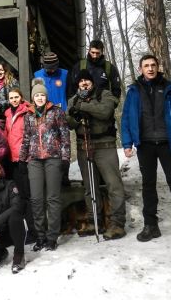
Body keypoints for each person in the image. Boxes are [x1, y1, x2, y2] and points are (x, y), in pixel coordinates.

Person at [121, 54, 171, 247]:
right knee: (148, 185)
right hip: (145, 144)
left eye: (153, 65)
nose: (150, 68)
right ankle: (150, 225)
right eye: (146, 66)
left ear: (158, 67)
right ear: (140, 69)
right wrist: (127, 143)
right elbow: (126, 118)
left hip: (169, 143)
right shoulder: (134, 91)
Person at [67, 69, 126, 240]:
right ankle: (95, 220)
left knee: (113, 185)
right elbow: (68, 122)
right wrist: (76, 116)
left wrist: (84, 107)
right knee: (89, 186)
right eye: (80, 81)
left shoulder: (104, 94)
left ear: (92, 82)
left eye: (87, 80)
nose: (84, 83)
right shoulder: (73, 100)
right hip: (84, 146)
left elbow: (105, 111)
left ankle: (117, 223)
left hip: (105, 145)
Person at [20, 79, 70, 252]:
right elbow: (26, 138)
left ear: (46, 97)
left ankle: (52, 237)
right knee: (36, 199)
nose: (40, 98)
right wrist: (22, 159)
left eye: (42, 95)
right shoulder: (28, 115)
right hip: (34, 159)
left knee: (53, 198)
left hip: (53, 157)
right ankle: (40, 236)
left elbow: (64, 135)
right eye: (37, 95)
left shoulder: (56, 112)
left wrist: (65, 158)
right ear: (33, 98)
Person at [3, 87, 36, 240]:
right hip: (12, 159)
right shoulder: (8, 113)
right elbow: (7, 134)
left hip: (24, 158)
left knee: (27, 196)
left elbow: (29, 136)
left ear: (21, 98)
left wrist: (24, 156)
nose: (14, 100)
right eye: (11, 97)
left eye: (16, 97)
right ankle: (22, 229)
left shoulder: (27, 112)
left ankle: (33, 230)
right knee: (18, 196)